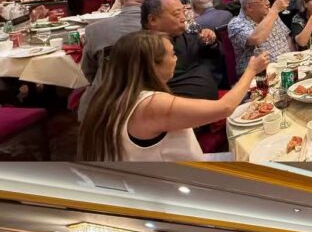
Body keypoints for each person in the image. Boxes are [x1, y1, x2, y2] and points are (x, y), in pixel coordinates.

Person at [77, 30, 268, 161]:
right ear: (153, 65)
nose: (176, 59)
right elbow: (225, 108)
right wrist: (252, 70)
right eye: (172, 54)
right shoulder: (150, 104)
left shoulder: (109, 96)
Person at [77, 0, 151, 119]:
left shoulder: (94, 29)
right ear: (149, 2)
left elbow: (88, 70)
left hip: (100, 107)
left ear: (122, 0)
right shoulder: (158, 27)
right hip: (148, 103)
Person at [142, 0, 224, 99]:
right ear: (153, 20)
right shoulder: (143, 49)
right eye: (177, 14)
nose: (184, 18)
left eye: (184, 12)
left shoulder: (186, 35)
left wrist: (211, 42)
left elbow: (211, 56)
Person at [228, 0, 293, 70]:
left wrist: (293, 60)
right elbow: (257, 39)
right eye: (263, 0)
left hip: (286, 67)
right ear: (250, 7)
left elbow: (287, 37)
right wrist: (274, 10)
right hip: (259, 74)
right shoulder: (236, 24)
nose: (268, 3)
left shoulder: (270, 14)